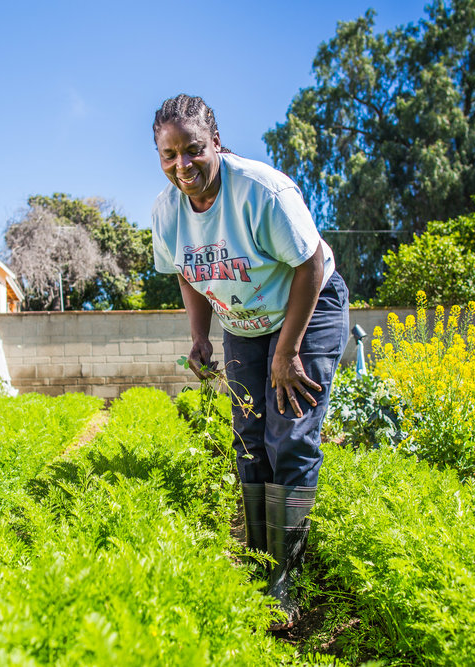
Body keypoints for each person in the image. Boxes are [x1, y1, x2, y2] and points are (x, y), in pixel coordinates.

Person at [150, 94, 349, 629]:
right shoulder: (167, 212)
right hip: (244, 324)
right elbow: (188, 273)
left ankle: (285, 578)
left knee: (290, 436)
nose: (182, 167)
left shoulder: (262, 191)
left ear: (216, 143)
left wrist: (287, 352)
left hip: (307, 305)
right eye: (169, 156)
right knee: (251, 439)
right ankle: (261, 563)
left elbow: (308, 264)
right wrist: (200, 337)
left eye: (193, 151)